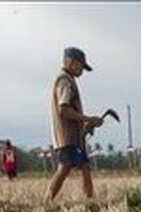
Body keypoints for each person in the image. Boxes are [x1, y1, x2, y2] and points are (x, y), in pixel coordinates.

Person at [47, 46, 103, 202]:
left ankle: (90, 199)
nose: (82, 71)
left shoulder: (68, 79)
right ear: (71, 62)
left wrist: (85, 125)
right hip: (67, 137)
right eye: (81, 66)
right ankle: (47, 201)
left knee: (84, 166)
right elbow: (63, 110)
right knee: (64, 168)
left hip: (73, 136)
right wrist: (88, 119)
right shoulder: (64, 80)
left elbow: (70, 110)